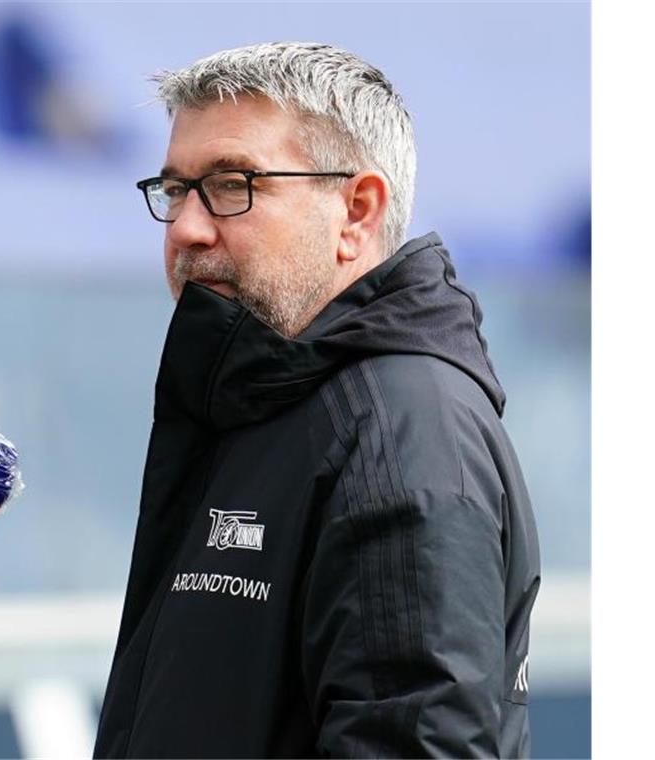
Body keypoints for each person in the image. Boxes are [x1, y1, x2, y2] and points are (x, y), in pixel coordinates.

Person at [93, 42, 540, 758]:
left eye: (233, 184)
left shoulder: (402, 430)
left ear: (357, 212)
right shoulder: (267, 398)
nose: (186, 228)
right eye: (175, 190)